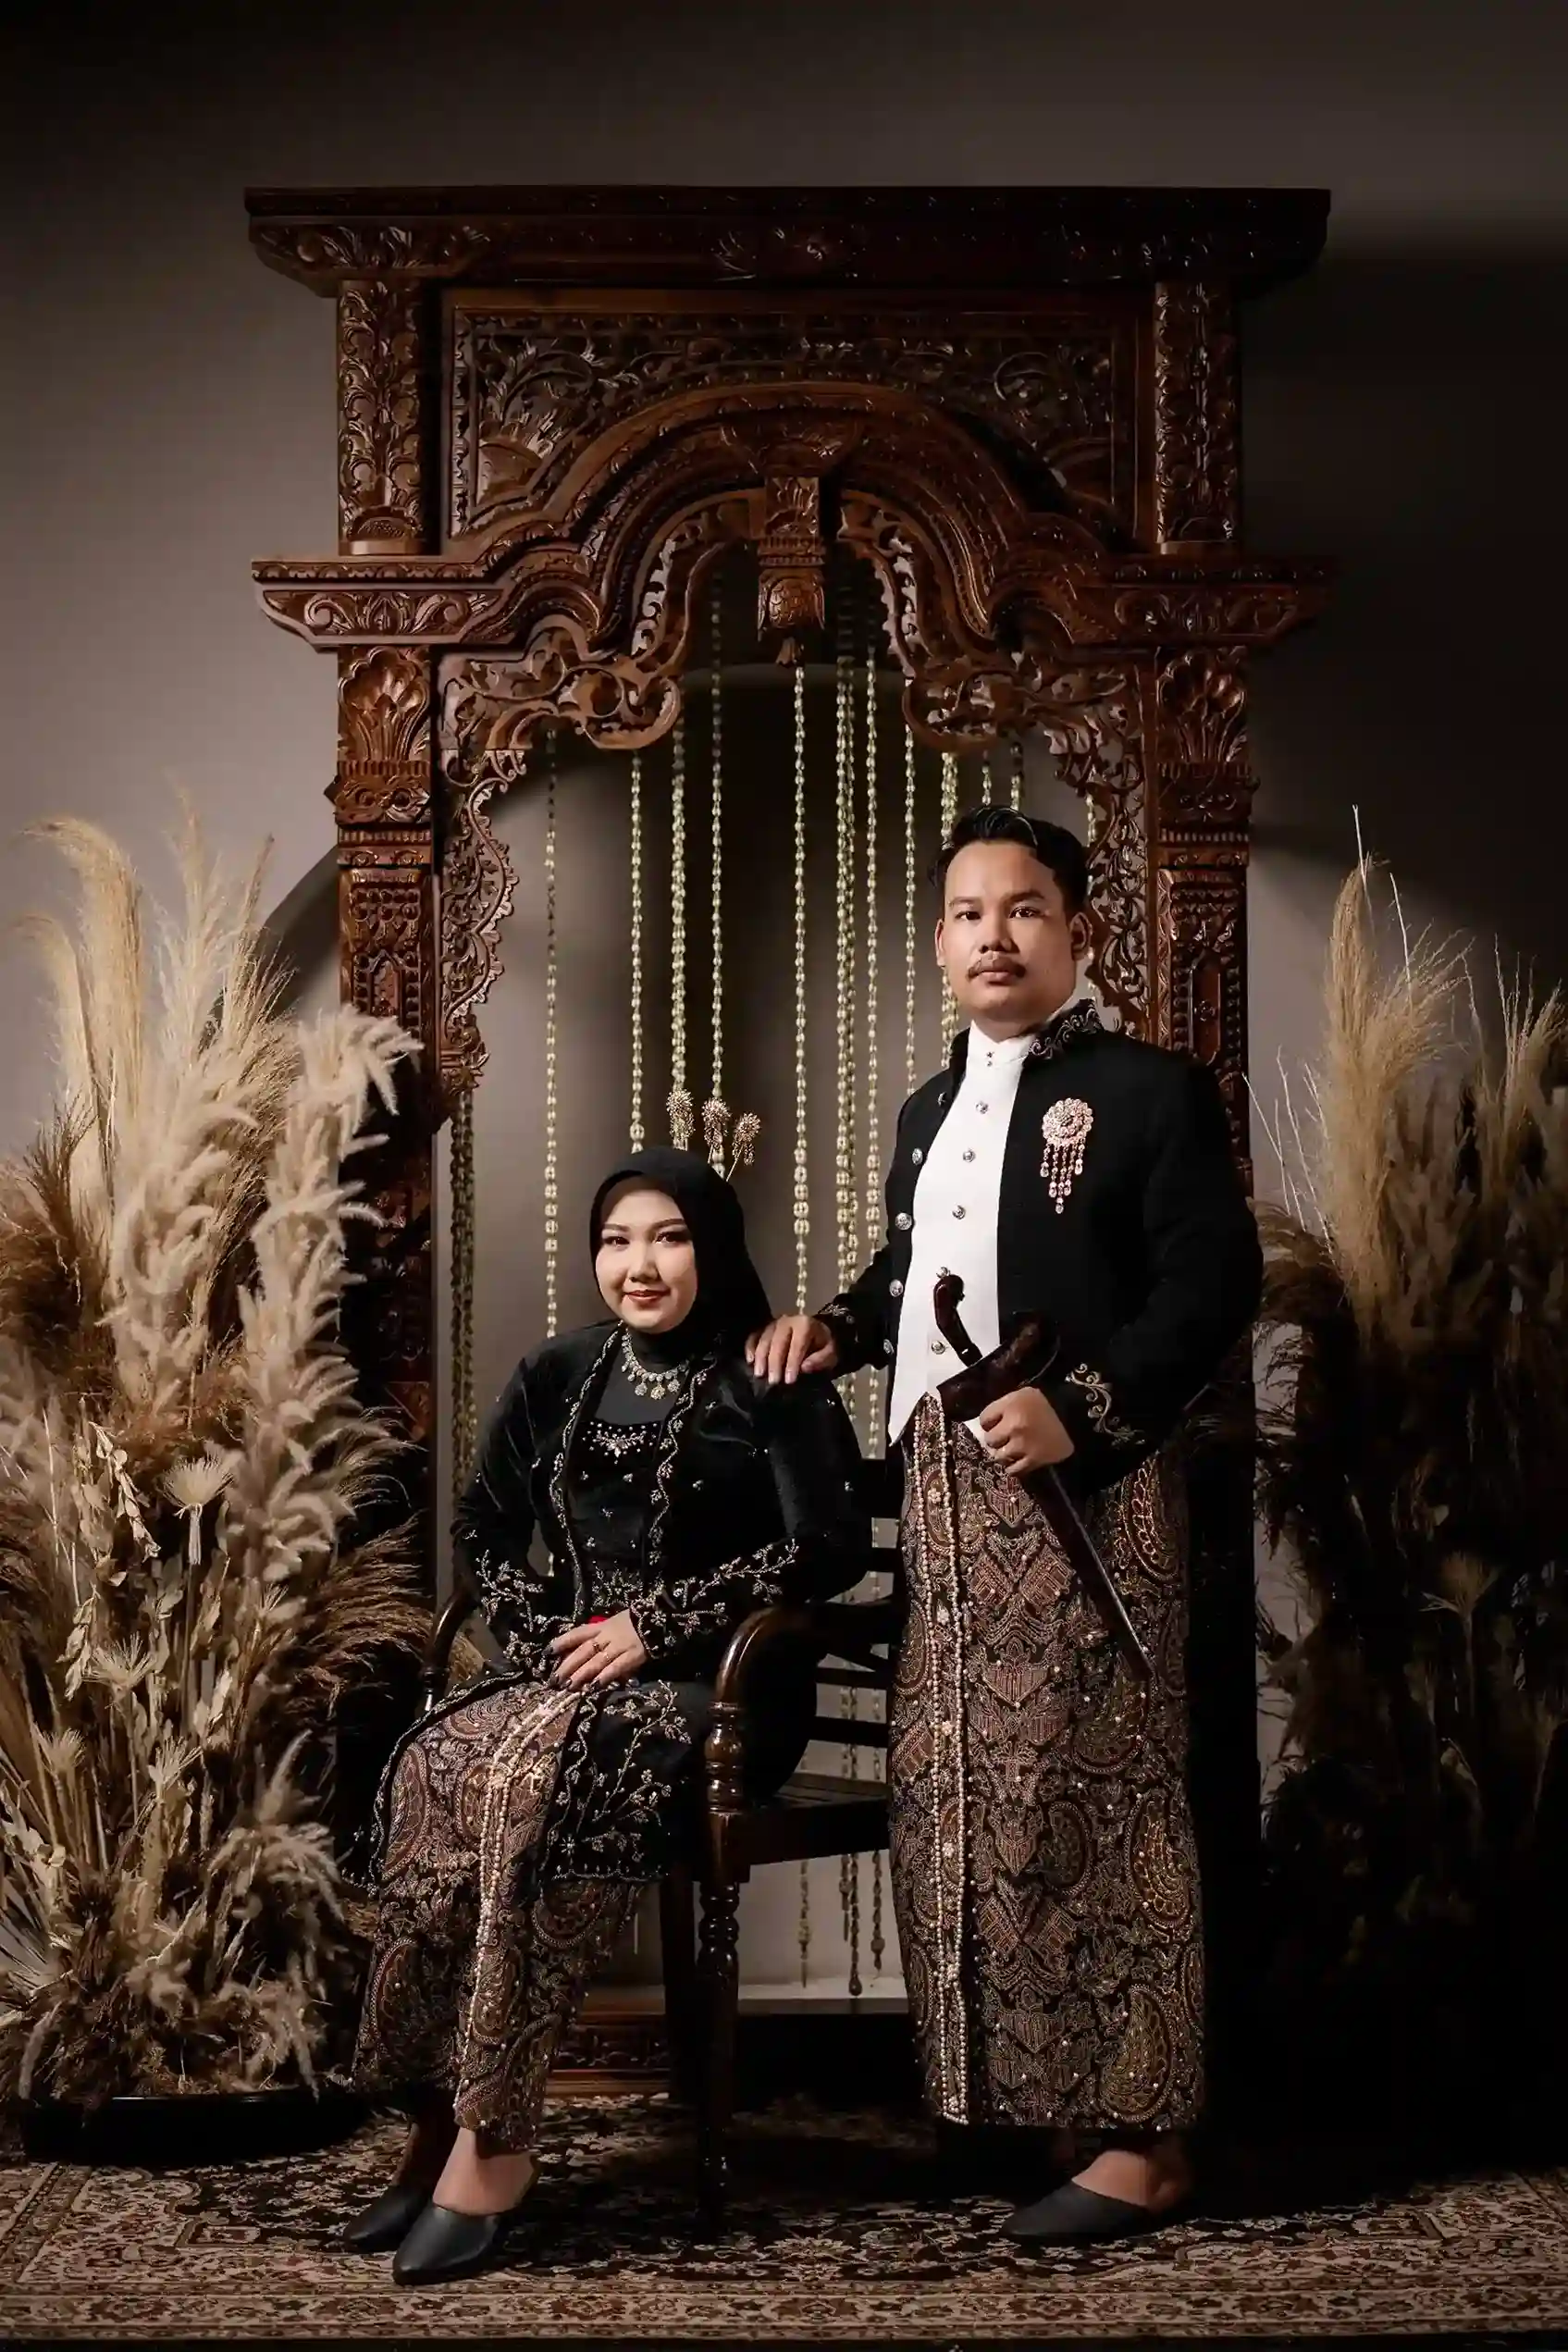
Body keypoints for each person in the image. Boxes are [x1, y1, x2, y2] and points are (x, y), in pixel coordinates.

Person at [750, 805, 1262, 2244]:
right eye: (968, 912)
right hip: (942, 1498)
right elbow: (914, 1270)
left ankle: (1143, 2139)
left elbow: (1211, 1282)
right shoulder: (928, 1106)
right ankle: (1030, 2110)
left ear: (1078, 931)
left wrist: (1082, 1411)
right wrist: (837, 1327)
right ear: (938, 940)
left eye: (1024, 908)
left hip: (1080, 1495)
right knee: (961, 1801)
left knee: (1091, 1797)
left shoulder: (1148, 1091)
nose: (993, 935)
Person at [347, 1147, 867, 2284]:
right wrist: (545, 1634)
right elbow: (482, 1524)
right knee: (439, 1759)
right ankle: (434, 2115)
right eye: (618, 1240)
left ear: (711, 1248)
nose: (640, 1264)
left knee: (540, 1774)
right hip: (576, 1681)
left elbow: (829, 1546)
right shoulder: (558, 1370)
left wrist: (655, 1625)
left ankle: (496, 2139)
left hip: (725, 1697)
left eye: (669, 1238)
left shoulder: (768, 1375)